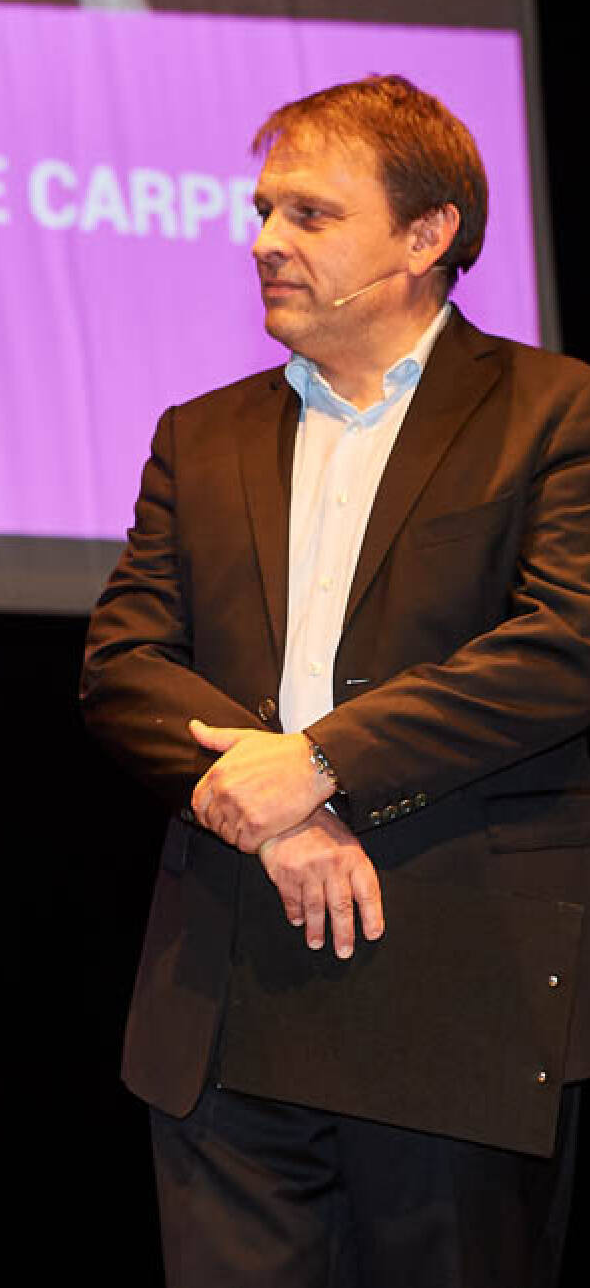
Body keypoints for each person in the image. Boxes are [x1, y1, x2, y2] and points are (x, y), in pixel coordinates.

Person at [81, 76, 590, 1286]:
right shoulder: (199, 435)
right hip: (225, 998)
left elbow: (566, 641)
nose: (266, 240)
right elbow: (125, 665)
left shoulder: (556, 412)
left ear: (427, 235)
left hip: (459, 996)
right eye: (263, 211)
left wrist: (321, 762)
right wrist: (276, 814)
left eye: (310, 214)